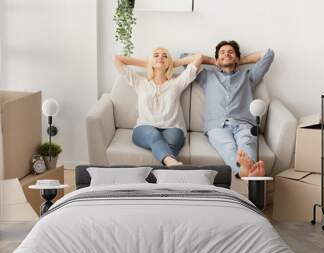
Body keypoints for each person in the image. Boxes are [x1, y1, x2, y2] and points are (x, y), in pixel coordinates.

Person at [197, 41, 274, 177]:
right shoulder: (207, 76)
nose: (226, 53)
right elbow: (185, 59)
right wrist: (214, 61)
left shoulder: (249, 76)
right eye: (222, 52)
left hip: (244, 123)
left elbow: (268, 54)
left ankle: (245, 171)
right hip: (216, 126)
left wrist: (240, 61)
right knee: (228, 147)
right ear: (216, 59)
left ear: (237, 58)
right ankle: (246, 172)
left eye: (230, 52)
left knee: (246, 143)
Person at [113, 48, 203, 166]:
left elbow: (199, 57)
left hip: (173, 128)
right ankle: (171, 164)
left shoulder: (177, 83)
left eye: (164, 56)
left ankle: (168, 167)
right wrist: (148, 63)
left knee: (171, 146)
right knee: (153, 136)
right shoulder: (140, 82)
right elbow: (117, 59)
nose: (160, 57)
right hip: (144, 127)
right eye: (156, 55)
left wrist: (172, 63)